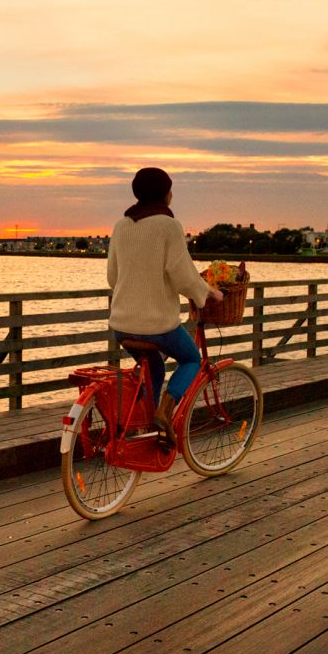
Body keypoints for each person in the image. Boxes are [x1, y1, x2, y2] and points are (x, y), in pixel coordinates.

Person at [107, 167, 223, 446]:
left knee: (155, 369)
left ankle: (145, 426)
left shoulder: (121, 225)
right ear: (164, 193)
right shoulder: (168, 225)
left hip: (121, 325)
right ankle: (164, 411)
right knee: (192, 359)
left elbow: (113, 277)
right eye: (170, 189)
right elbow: (182, 275)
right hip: (157, 325)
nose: (173, 194)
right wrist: (206, 294)